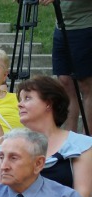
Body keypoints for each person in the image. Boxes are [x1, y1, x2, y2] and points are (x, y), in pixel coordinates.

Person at [17, 75, 92, 197]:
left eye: (27, 98)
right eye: (20, 99)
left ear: (48, 103)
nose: (19, 104)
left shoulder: (81, 145)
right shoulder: (9, 145)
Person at [47, 0, 92, 133]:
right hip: (61, 26)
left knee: (86, 84)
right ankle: (69, 137)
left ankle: (88, 139)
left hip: (85, 26)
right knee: (65, 82)